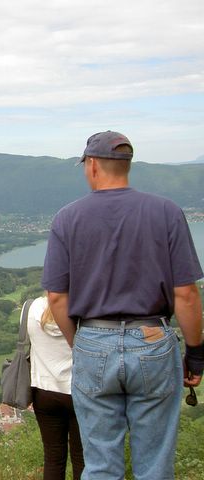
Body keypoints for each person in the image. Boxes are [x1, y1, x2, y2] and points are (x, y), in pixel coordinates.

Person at [41, 131, 204, 479]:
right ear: (127, 165)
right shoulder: (167, 212)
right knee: (155, 465)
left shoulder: (67, 218)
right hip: (152, 341)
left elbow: (57, 297)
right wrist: (195, 354)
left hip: (93, 341)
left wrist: (79, 344)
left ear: (92, 165)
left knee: (100, 465)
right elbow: (187, 294)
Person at [27, 295, 84, 480]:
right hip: (78, 391)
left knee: (53, 458)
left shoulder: (31, 308)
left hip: (44, 391)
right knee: (82, 459)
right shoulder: (83, 307)